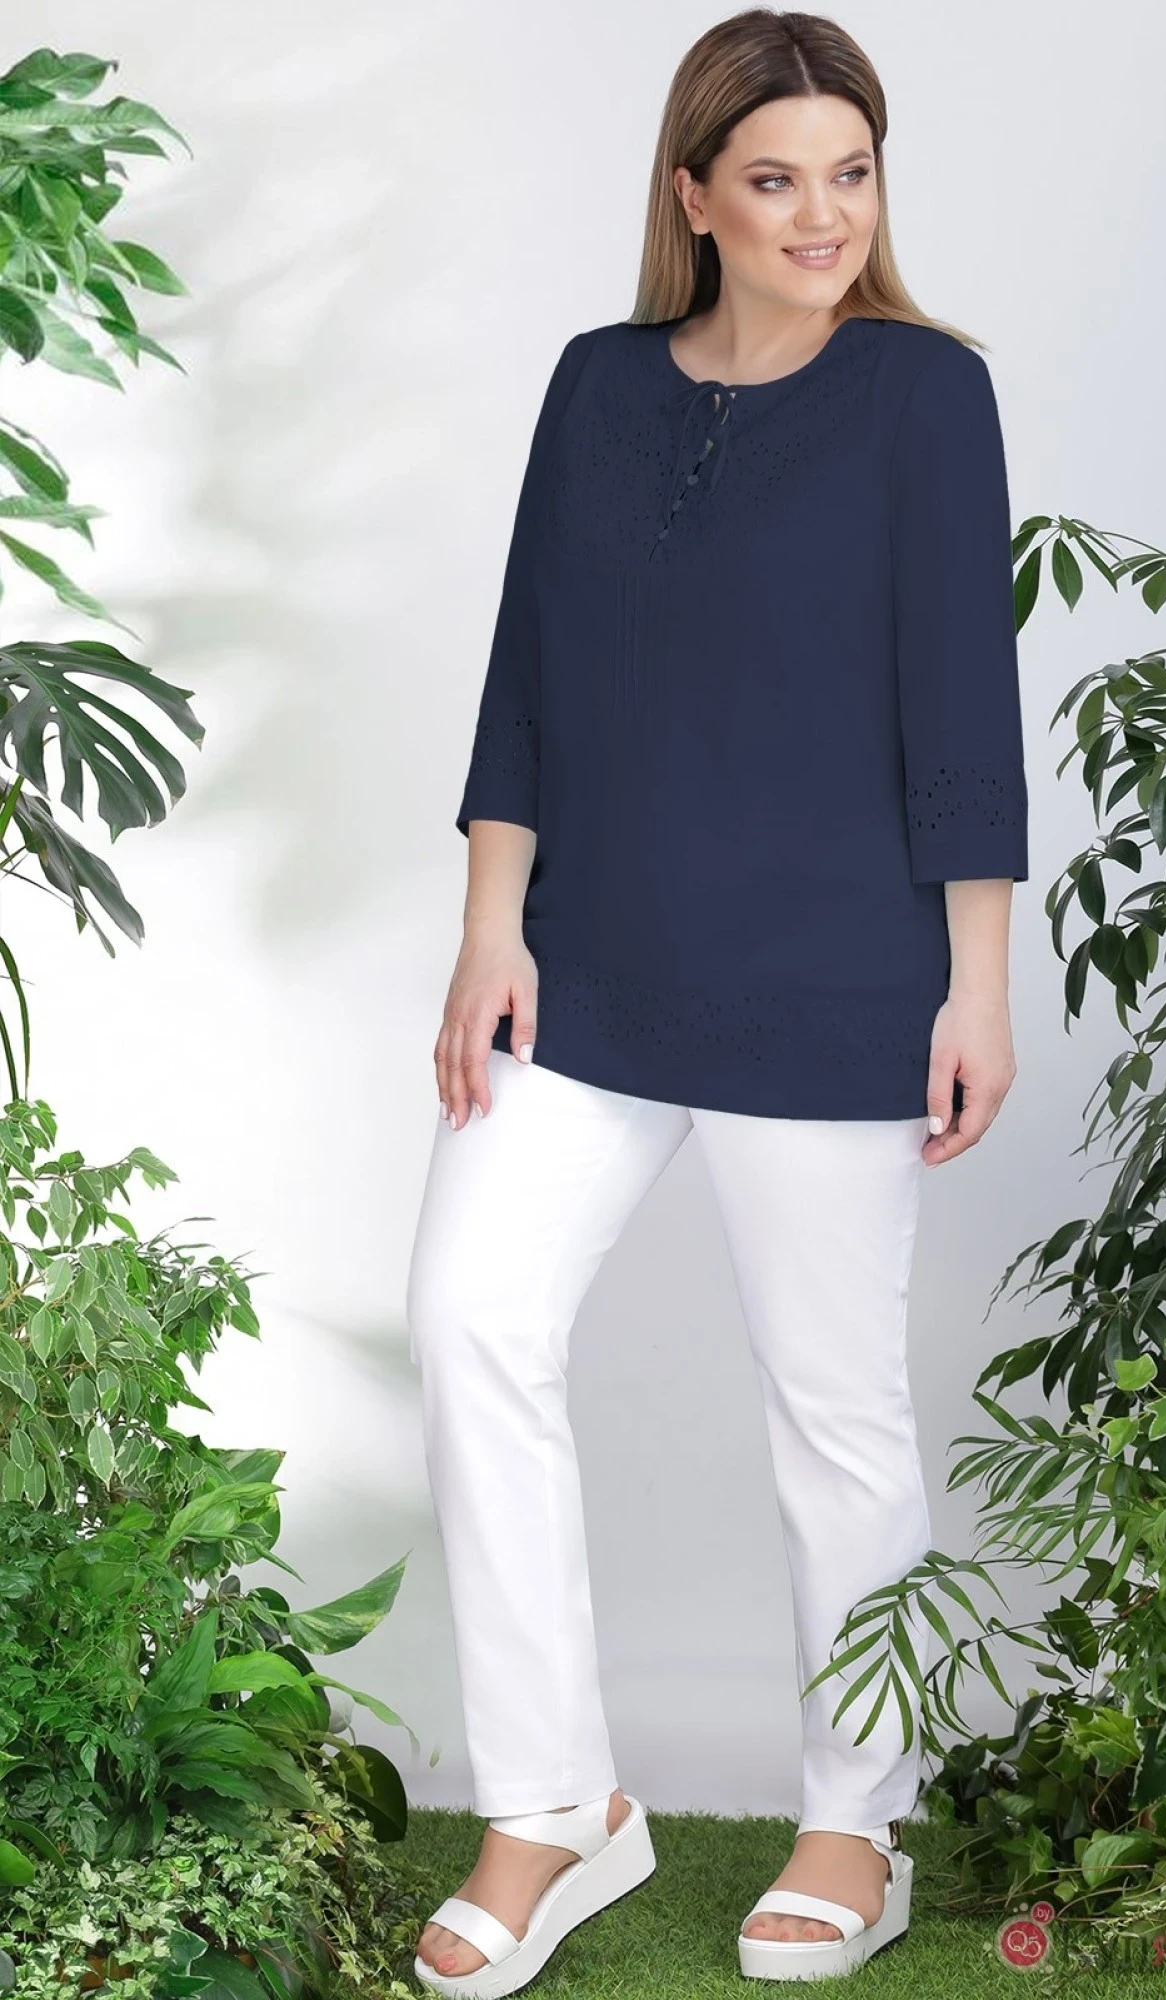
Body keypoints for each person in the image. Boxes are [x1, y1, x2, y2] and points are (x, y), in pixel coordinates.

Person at [405, 7, 1029, 1992]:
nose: (822, 215)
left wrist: (977, 982)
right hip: (587, 966)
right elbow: (525, 668)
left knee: (834, 1413)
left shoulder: (926, 393)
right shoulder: (598, 384)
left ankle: (858, 1819)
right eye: (775, 178)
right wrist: (491, 924)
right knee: (472, 1317)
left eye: (851, 174)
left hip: (837, 979)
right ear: (694, 195)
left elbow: (964, 702)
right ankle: (554, 1804)